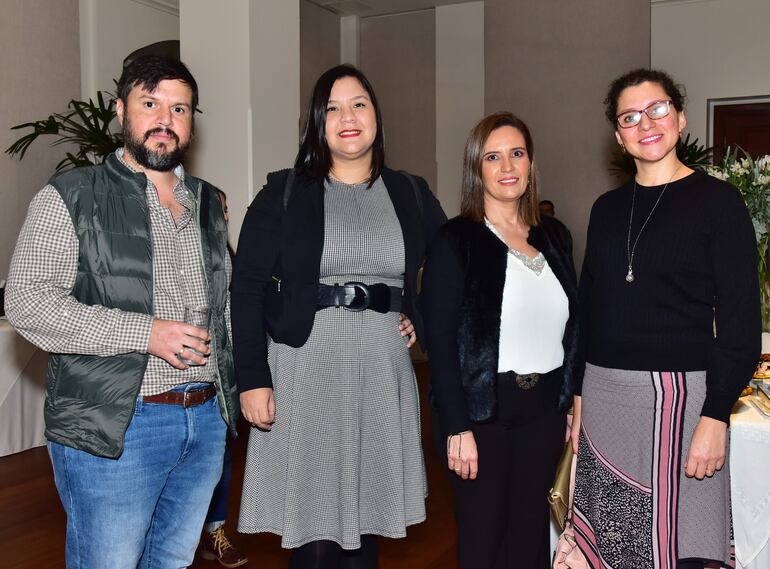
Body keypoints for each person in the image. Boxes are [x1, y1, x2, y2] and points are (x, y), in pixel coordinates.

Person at [4, 55, 238, 568]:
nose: (165, 119)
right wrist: (145, 332)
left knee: (172, 562)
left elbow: (225, 307)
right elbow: (26, 301)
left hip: (203, 422)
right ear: (120, 110)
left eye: (180, 109)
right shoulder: (70, 195)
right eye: (150, 104)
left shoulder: (209, 203)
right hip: (117, 425)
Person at [231, 64, 447, 568]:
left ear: (376, 117)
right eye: (333, 108)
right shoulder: (283, 192)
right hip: (304, 371)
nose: (347, 117)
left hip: (381, 373)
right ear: (317, 122)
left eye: (358, 105)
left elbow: (448, 270)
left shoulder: (409, 192)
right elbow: (246, 288)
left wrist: (413, 312)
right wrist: (252, 379)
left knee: (367, 522)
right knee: (315, 534)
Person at [572, 68, 760, 569]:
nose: (646, 124)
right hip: (605, 398)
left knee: (681, 546)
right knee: (613, 546)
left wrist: (715, 415)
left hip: (682, 403)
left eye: (657, 109)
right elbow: (588, 310)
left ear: (679, 117)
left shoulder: (720, 203)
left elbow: (741, 324)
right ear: (618, 136)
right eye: (630, 117)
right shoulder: (606, 208)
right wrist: (578, 397)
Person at [421, 111, 580, 569]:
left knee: (531, 542)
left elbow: (576, 327)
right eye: (493, 157)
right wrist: (456, 427)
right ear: (477, 167)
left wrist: (573, 402)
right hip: (482, 415)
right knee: (483, 543)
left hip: (545, 413)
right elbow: (441, 344)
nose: (507, 166)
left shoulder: (555, 236)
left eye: (517, 154)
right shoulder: (456, 240)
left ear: (530, 163)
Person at [198, 189, 249, 568]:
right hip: (189, 377)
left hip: (224, 379)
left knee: (222, 460)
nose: (225, 215)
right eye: (219, 208)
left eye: (227, 208)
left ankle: (215, 531)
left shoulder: (232, 258)